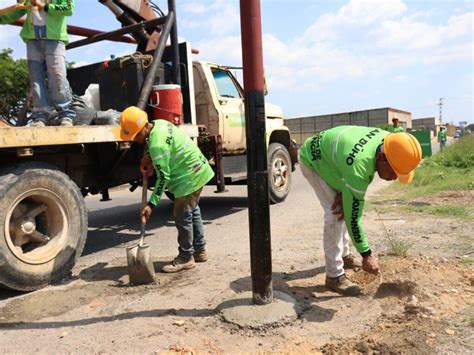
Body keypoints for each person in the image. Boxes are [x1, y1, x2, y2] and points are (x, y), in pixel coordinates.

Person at [299, 126, 421, 296]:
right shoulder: (359, 168)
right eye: (394, 172)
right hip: (314, 159)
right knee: (335, 214)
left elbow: (350, 175)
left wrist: (346, 190)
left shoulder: (390, 141)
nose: (394, 178)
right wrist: (366, 254)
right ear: (381, 158)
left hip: (337, 159)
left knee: (345, 206)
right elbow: (353, 218)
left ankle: (345, 255)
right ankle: (334, 276)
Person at [120, 106, 215, 273]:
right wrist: (150, 158)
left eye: (136, 135)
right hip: (199, 169)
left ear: (144, 128)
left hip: (189, 178)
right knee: (193, 211)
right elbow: (166, 146)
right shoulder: (159, 124)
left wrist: (151, 204)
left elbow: (163, 177)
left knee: (181, 215)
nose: (135, 140)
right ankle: (200, 251)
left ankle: (186, 257)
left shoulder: (157, 145)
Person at [0, 0, 76, 127]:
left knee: (58, 77)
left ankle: (66, 115)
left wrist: (45, 6)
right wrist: (2, 18)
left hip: (55, 40)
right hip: (33, 41)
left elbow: (68, 9)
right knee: (36, 80)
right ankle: (40, 116)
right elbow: (19, 9)